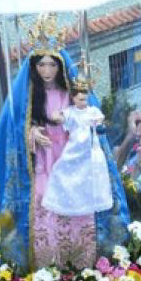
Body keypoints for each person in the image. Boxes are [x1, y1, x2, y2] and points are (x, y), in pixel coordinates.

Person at [0, 51, 128, 270]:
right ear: (34, 68)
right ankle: (47, 268)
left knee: (80, 207)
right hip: (44, 161)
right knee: (43, 205)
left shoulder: (71, 95)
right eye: (41, 65)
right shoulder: (30, 96)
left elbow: (89, 122)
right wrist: (32, 133)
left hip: (72, 157)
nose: (47, 71)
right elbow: (13, 125)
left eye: (52, 66)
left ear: (61, 68)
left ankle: (85, 265)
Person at [42, 87, 112, 216]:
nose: (83, 99)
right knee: (61, 169)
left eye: (85, 96)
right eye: (79, 97)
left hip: (91, 148)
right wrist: (56, 115)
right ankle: (67, 201)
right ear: (73, 98)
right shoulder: (70, 112)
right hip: (74, 148)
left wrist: (98, 123)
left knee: (93, 175)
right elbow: (59, 118)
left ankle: (92, 201)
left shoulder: (93, 111)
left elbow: (100, 120)